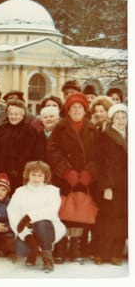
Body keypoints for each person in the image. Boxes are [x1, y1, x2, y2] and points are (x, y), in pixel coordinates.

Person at [47, 92, 99, 264]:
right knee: (62, 212)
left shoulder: (92, 129)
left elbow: (99, 155)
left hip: (83, 179)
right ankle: (60, 246)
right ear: (67, 111)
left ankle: (76, 247)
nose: (77, 110)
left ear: (85, 110)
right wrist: (66, 171)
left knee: (79, 210)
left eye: (80, 107)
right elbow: (53, 150)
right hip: (64, 179)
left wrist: (89, 172)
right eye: (73, 107)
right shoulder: (60, 127)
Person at [7, 161, 66, 273]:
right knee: (22, 250)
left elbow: (51, 211)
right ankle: (32, 253)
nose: (36, 178)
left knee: (41, 223)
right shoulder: (20, 192)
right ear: (28, 175)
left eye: (40, 175)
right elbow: (13, 214)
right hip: (27, 229)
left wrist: (30, 216)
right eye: (33, 174)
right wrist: (26, 235)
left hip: (48, 228)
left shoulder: (52, 191)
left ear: (45, 176)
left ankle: (47, 259)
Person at [93, 104, 128, 265]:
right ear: (112, 119)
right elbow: (99, 163)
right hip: (110, 185)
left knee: (122, 220)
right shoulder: (105, 136)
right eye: (117, 117)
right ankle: (101, 253)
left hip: (126, 186)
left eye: (124, 117)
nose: (121, 121)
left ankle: (116, 253)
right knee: (106, 219)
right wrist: (105, 186)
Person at [0, 99, 37, 190]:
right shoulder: (0, 129)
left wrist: (17, 168)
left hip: (18, 172)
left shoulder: (29, 131)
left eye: (16, 114)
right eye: (11, 114)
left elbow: (28, 152)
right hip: (0, 171)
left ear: (23, 115)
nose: (13, 117)